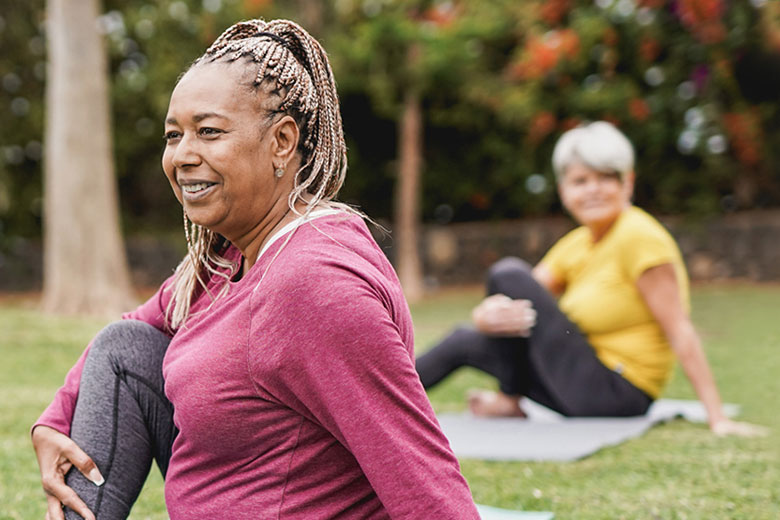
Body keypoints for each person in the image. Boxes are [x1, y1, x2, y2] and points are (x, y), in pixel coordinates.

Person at [32, 19, 480, 520]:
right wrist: (53, 419)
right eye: (173, 135)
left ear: (283, 141)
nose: (182, 155)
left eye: (208, 132)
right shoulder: (229, 254)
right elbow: (136, 329)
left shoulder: (315, 283)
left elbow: (421, 474)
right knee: (125, 349)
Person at [416, 121, 767, 437]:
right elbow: (521, 297)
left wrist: (717, 418)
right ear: (564, 190)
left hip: (617, 391)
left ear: (627, 182)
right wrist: (485, 316)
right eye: (581, 181)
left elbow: (679, 328)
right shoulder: (579, 243)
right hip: (576, 382)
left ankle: (509, 399)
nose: (593, 190)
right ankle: (375, 407)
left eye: (605, 178)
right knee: (465, 338)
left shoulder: (639, 236)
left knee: (506, 271)